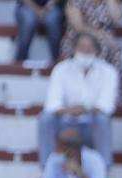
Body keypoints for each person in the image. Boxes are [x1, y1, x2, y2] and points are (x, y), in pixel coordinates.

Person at [37, 32, 117, 164]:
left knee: (103, 120)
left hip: (91, 123)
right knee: (46, 119)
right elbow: (52, 104)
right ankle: (47, 174)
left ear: (97, 50)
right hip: (66, 122)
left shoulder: (108, 71)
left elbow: (106, 105)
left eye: (89, 48)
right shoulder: (61, 69)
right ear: (74, 49)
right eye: (81, 47)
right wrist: (69, 111)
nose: (85, 51)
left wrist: (85, 110)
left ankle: (103, 175)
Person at [60, 0, 120, 69]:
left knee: (116, 49)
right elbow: (78, 26)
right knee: (102, 48)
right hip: (78, 38)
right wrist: (102, 36)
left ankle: (113, 78)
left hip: (104, 37)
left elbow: (117, 17)